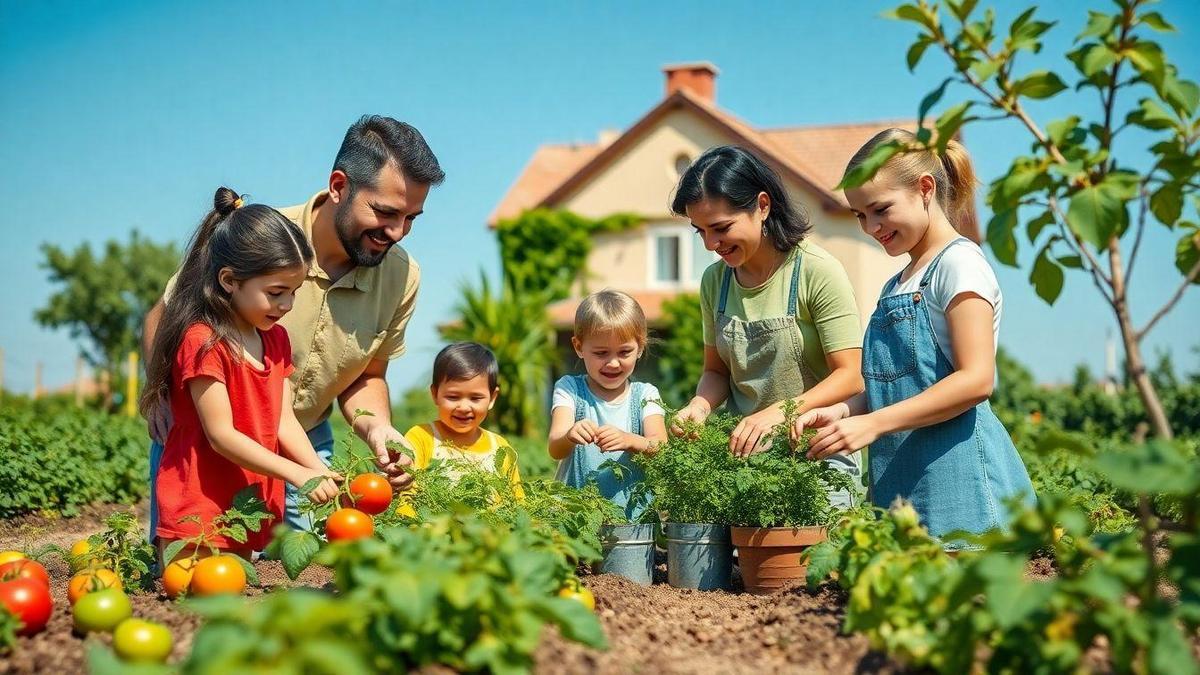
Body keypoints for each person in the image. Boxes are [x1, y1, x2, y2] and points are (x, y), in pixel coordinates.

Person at [143, 116, 444, 533]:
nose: (397, 232)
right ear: (339, 186)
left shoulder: (402, 275)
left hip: (304, 440)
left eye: (412, 218)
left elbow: (368, 375)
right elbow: (165, 315)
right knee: (193, 564)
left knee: (304, 576)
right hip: (204, 446)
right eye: (385, 212)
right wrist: (157, 389)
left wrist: (378, 427)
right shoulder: (260, 238)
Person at [796, 128, 1035, 543]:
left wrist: (873, 424)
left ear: (925, 189)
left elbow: (976, 380)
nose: (870, 227)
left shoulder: (959, 265)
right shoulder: (898, 283)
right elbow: (903, 383)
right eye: (860, 216)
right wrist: (845, 412)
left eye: (880, 210)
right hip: (906, 486)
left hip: (961, 487)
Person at [141, 188, 341, 561]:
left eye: (294, 292)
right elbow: (221, 436)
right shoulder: (202, 341)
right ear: (230, 280)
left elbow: (285, 423)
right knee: (191, 598)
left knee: (235, 600)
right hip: (196, 505)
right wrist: (296, 475)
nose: (286, 305)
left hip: (246, 504)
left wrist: (320, 470)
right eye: (276, 292)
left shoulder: (276, 340)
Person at [668, 145, 865, 506]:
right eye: (700, 232)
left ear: (762, 206)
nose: (712, 244)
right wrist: (699, 405)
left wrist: (779, 414)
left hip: (820, 454)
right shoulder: (716, 282)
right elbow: (716, 372)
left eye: (721, 228)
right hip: (745, 458)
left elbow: (850, 376)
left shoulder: (816, 271)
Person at [548, 290, 667, 520]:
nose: (613, 363)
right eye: (601, 353)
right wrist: (571, 434)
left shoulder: (646, 394)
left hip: (634, 522)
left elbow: (661, 447)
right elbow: (555, 448)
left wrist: (630, 440)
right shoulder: (569, 389)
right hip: (578, 519)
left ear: (640, 347)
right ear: (578, 347)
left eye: (624, 352)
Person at [403, 343, 522, 492]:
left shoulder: (501, 448)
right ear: (435, 394)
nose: (464, 407)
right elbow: (406, 496)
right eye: (453, 397)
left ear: (492, 398)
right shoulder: (421, 437)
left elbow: (516, 503)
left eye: (475, 398)